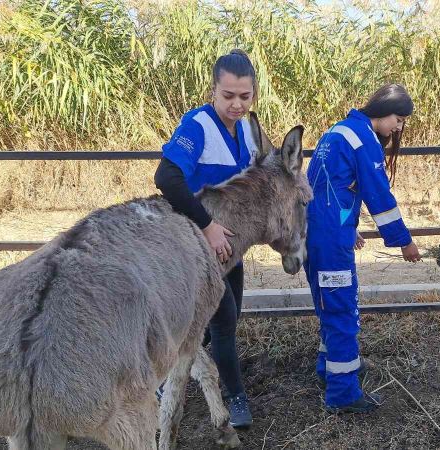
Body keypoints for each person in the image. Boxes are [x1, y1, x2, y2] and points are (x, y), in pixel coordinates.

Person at [153, 49, 269, 428]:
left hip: (229, 248)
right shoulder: (197, 125)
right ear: (213, 91)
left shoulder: (249, 132)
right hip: (199, 245)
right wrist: (206, 225)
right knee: (223, 321)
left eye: (245, 96)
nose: (236, 104)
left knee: (224, 318)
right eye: (228, 96)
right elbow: (167, 178)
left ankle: (163, 377)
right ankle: (235, 398)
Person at [303, 83, 422, 413]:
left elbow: (330, 187)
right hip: (329, 242)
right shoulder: (364, 141)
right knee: (341, 309)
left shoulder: (339, 131)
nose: (398, 127)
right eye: (398, 119)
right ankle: (342, 393)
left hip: (320, 234)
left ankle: (332, 366)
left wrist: (347, 227)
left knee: (331, 306)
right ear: (383, 112)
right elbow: (379, 196)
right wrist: (405, 242)